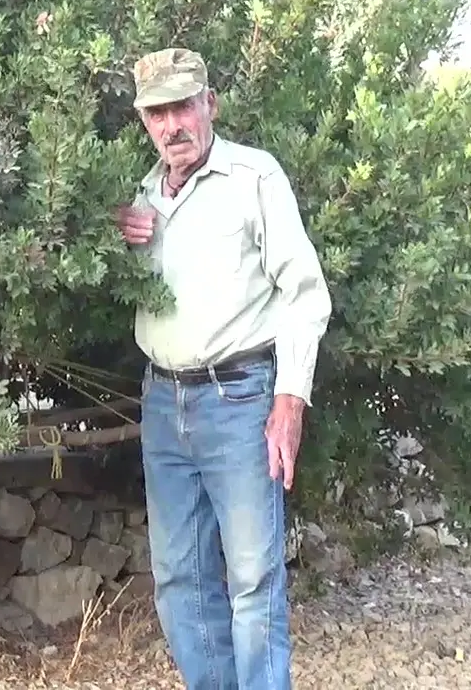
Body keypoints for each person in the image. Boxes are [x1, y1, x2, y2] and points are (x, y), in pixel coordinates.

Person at [116, 47, 333, 690]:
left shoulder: (254, 177)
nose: (172, 125)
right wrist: (116, 236)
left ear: (209, 104)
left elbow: (305, 294)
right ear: (145, 121)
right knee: (178, 578)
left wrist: (289, 401)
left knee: (253, 580)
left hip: (240, 400)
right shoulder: (142, 196)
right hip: (163, 404)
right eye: (157, 113)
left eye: (183, 106)